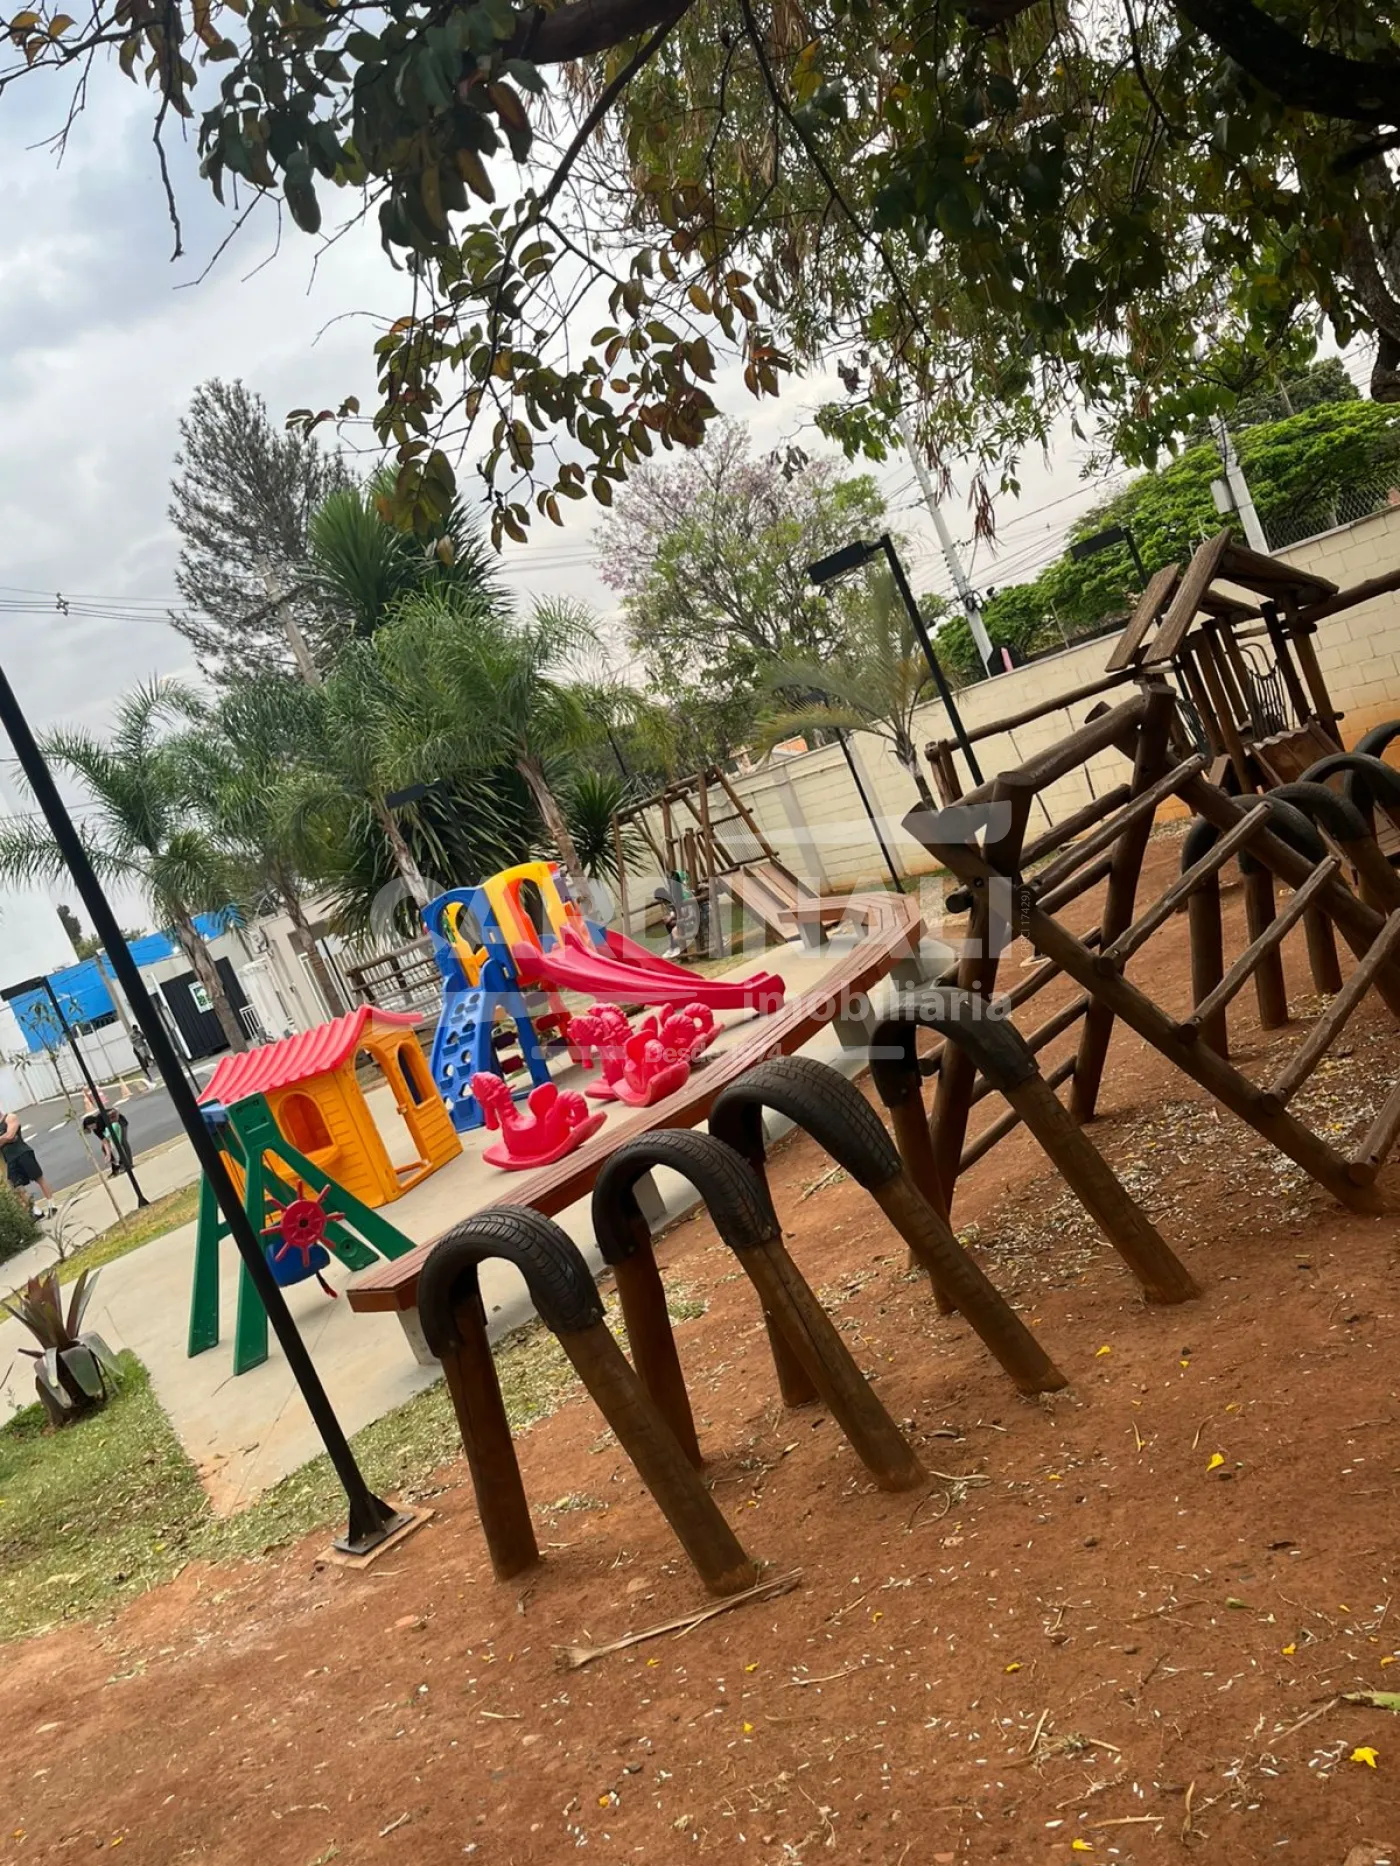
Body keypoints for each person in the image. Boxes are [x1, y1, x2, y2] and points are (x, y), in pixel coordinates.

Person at [0, 1109, 56, 1217]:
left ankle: (51, 1204)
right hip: (10, 1159)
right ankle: (35, 1210)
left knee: (38, 1178)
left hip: (23, 1153)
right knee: (17, 1186)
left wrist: (7, 1138)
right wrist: (5, 1138)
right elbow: (9, 1137)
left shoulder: (10, 1118)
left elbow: (11, 1135)